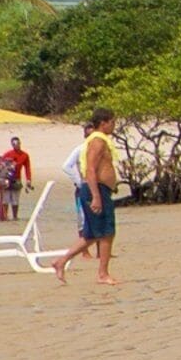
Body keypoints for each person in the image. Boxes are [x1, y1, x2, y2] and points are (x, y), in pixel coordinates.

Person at [49, 108, 123, 284]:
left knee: (91, 234)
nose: (114, 126)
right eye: (112, 122)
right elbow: (90, 169)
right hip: (95, 189)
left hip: (99, 189)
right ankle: (103, 274)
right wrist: (96, 196)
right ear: (103, 123)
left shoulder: (100, 141)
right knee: (106, 232)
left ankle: (61, 261)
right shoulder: (97, 141)